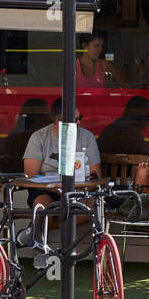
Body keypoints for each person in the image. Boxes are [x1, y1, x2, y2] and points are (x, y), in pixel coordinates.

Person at [21, 98, 103, 264]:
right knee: (42, 206)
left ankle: (34, 230)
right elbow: (30, 175)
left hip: (78, 188)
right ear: (59, 122)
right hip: (46, 189)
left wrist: (81, 186)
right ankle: (40, 251)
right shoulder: (39, 137)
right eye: (75, 120)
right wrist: (54, 188)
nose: (80, 122)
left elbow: (96, 174)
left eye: (81, 118)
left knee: (93, 206)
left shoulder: (86, 137)